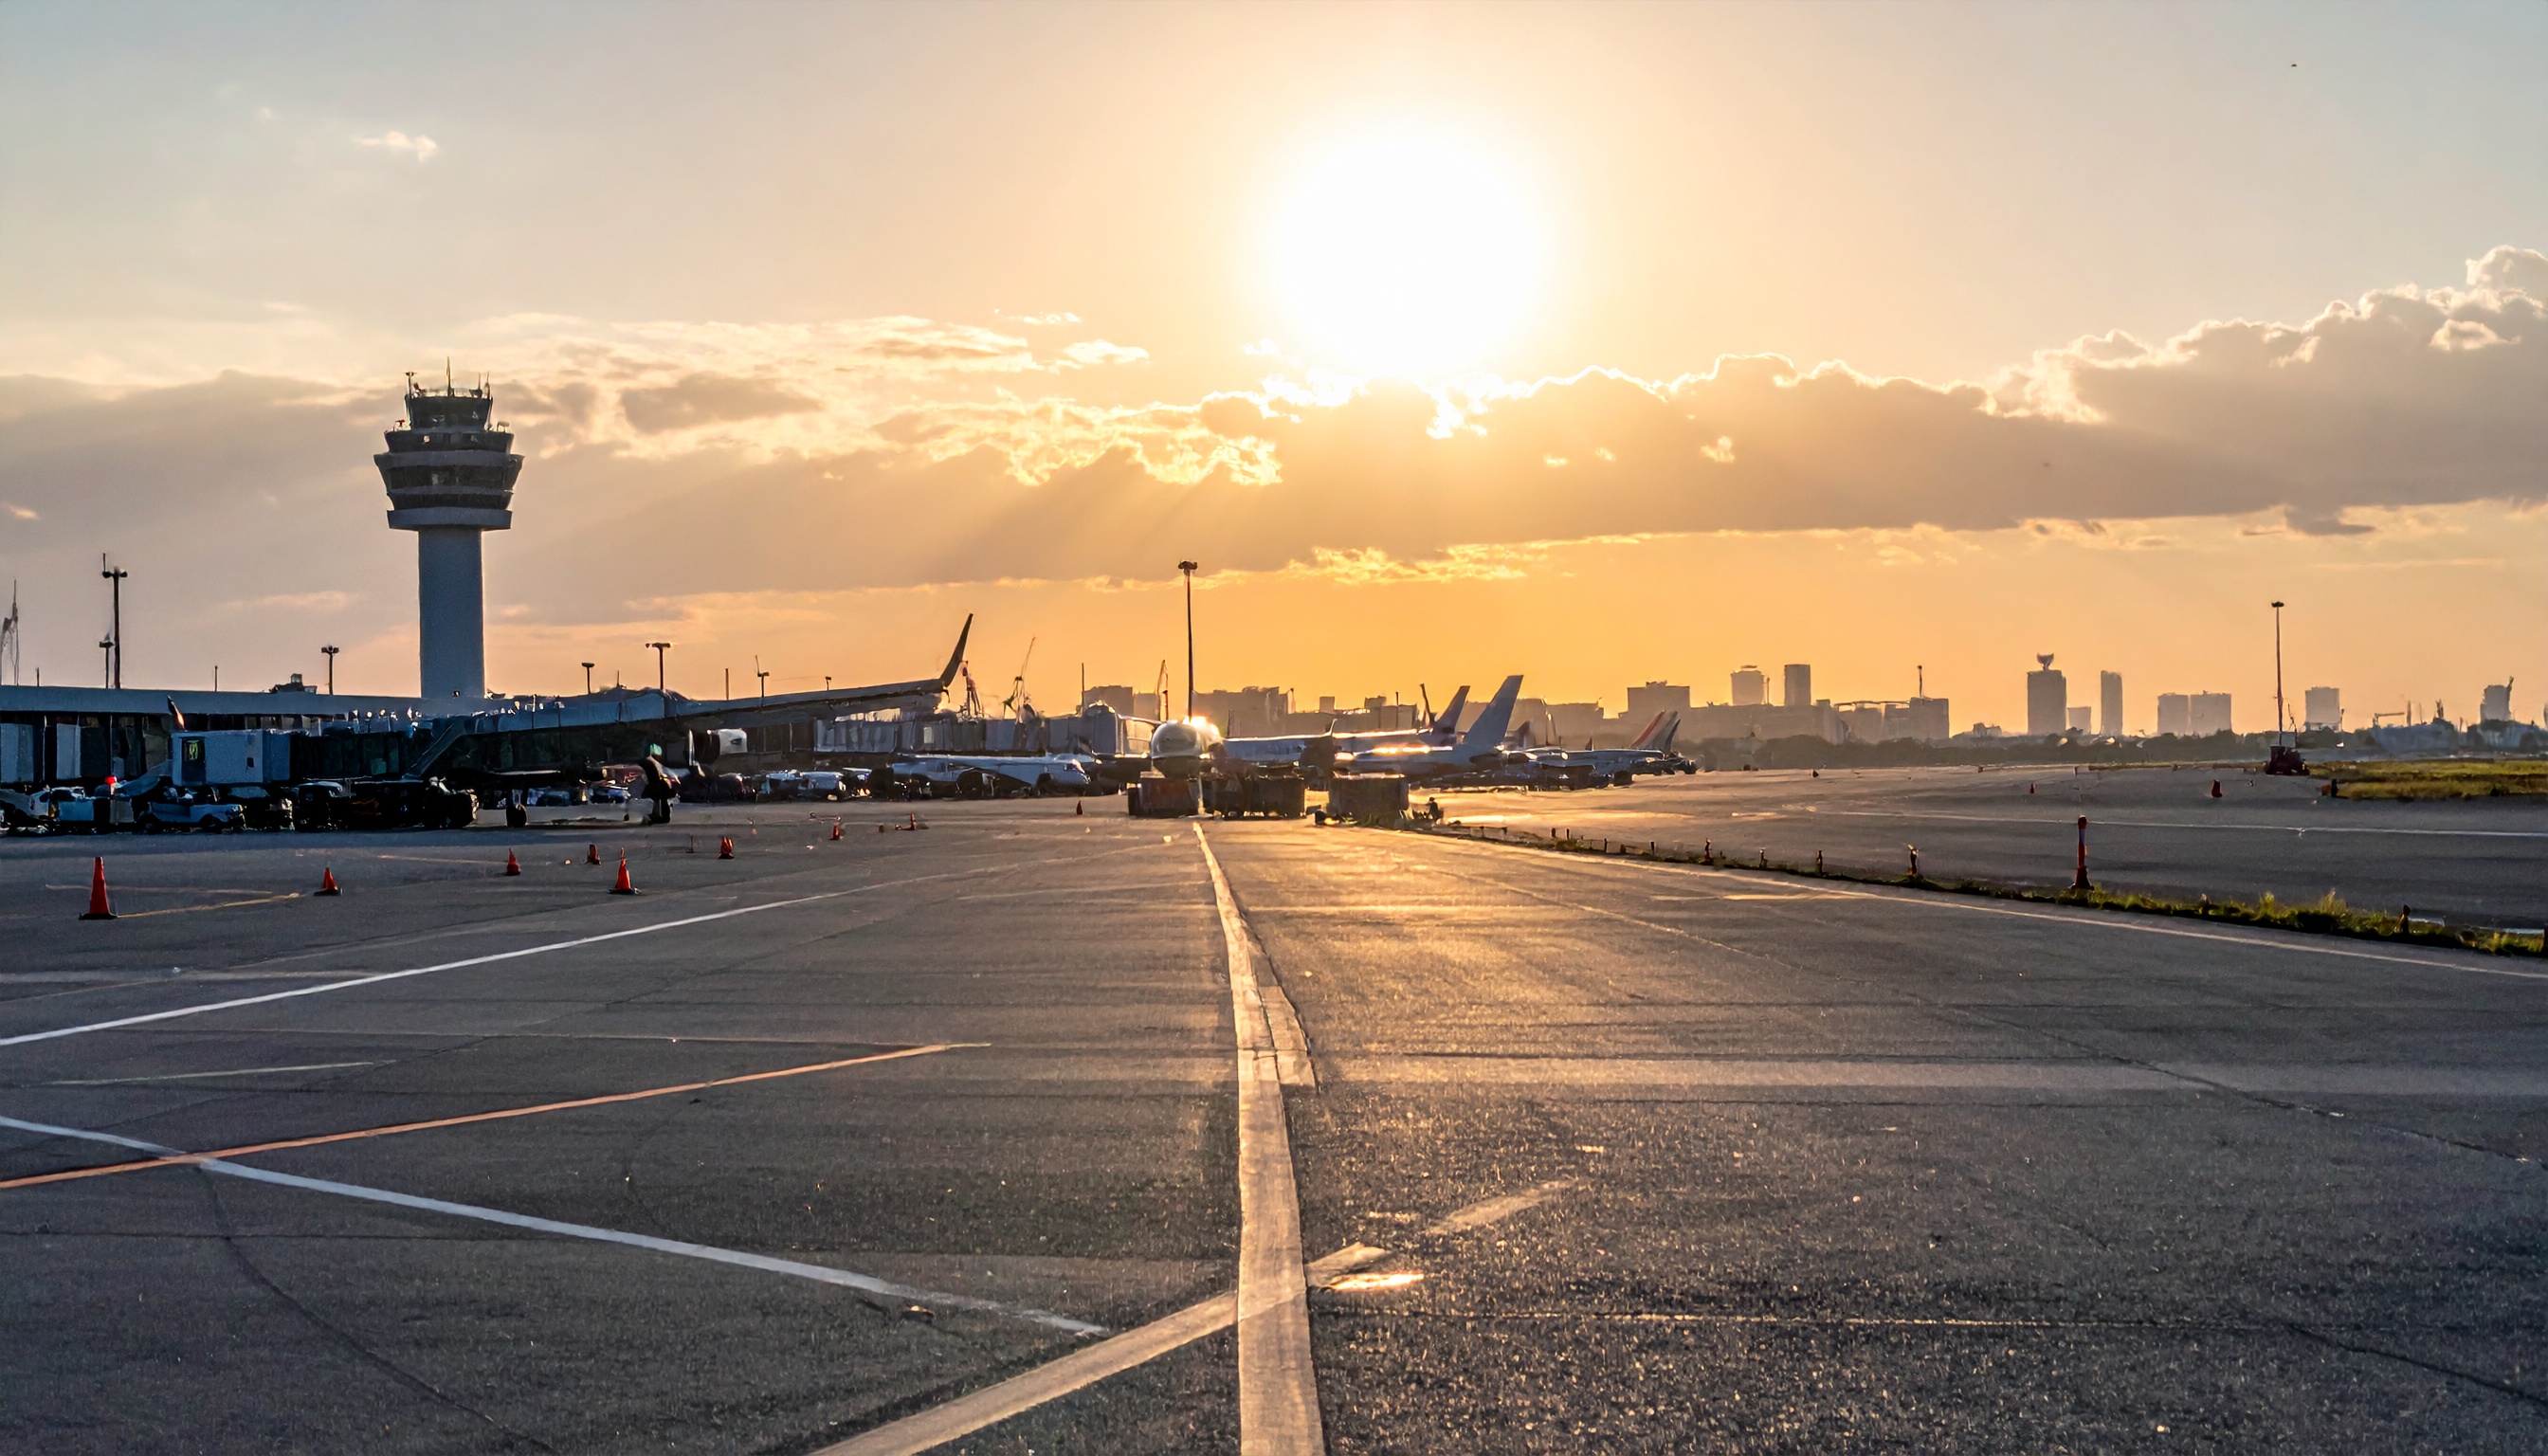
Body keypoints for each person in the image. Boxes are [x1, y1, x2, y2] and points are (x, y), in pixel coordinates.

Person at [640, 752, 677, 825]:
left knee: (659, 800)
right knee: (660, 801)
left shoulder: (648, 763)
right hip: (659, 785)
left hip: (656, 786)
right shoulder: (654, 763)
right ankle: (660, 816)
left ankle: (659, 816)